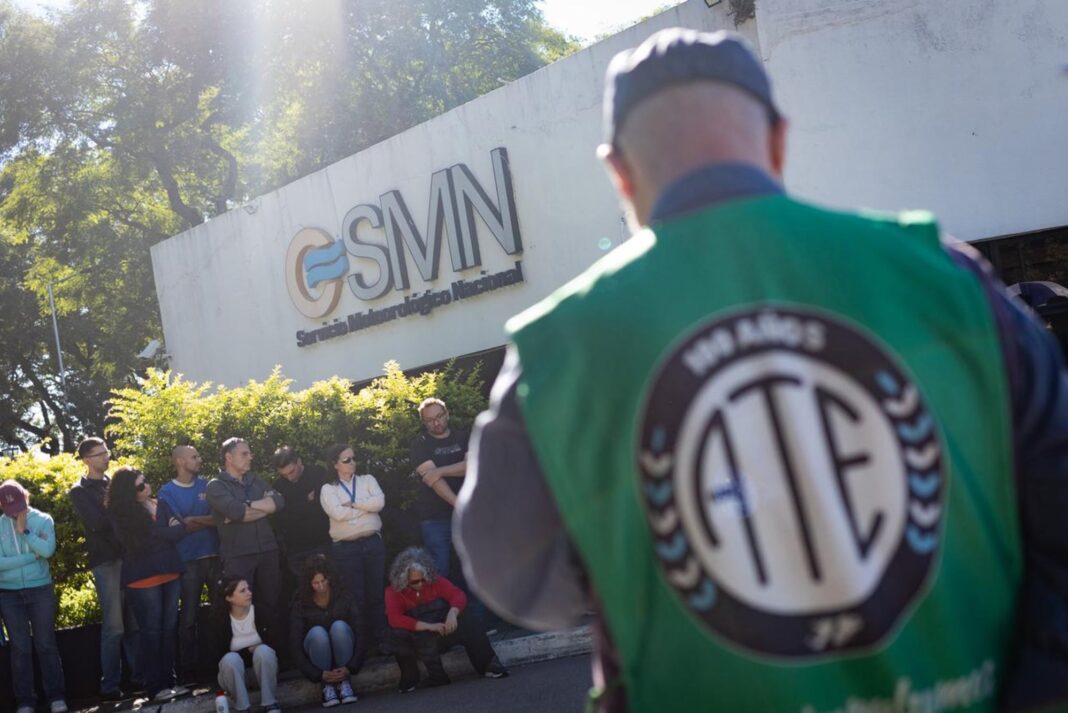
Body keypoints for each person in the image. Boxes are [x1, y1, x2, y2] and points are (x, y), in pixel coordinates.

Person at [455, 28, 1068, 713]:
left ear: (618, 171)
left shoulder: (557, 348)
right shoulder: (949, 280)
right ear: (778, 139)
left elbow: (509, 571)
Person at [106, 466, 188, 702]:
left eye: (146, 482)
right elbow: (142, 542)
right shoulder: (120, 515)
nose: (147, 487)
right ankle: (154, 686)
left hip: (170, 572)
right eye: (140, 486)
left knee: (169, 629)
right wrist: (165, 531)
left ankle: (170, 681)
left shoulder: (159, 503)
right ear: (127, 493)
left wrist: (158, 532)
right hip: (143, 579)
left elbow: (180, 530)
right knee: (151, 632)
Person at [69, 437, 141, 699]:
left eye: (106, 452)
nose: (105, 457)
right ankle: (109, 685)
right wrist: (122, 512)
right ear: (86, 459)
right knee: (114, 627)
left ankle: (140, 678)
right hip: (107, 562)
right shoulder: (79, 490)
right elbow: (98, 523)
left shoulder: (115, 483)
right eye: (99, 454)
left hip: (130, 558)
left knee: (134, 623)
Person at [384, 547, 506, 693]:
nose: (421, 584)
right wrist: (428, 626)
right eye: (415, 582)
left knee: (467, 618)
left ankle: (488, 665)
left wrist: (452, 613)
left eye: (424, 579)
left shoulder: (436, 581)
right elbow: (394, 618)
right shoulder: (393, 592)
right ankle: (410, 677)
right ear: (403, 580)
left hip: (441, 633)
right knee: (396, 634)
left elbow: (458, 595)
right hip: (418, 638)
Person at [0, 480, 68, 713]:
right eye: (8, 508)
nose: (14, 512)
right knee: (19, 648)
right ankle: (25, 701)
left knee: (46, 644)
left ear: (26, 498)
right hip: (8, 594)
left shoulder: (43, 520)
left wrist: (25, 531)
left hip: (40, 590)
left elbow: (47, 551)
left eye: (18, 505)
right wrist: (31, 557)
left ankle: (56, 696)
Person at [206, 438, 285, 632]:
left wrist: (247, 505)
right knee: (240, 609)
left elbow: (279, 502)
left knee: (272, 605)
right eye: (244, 454)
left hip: (268, 551)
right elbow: (237, 512)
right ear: (229, 457)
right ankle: (244, 659)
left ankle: (274, 655)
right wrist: (263, 507)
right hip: (238, 556)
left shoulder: (255, 480)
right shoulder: (216, 486)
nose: (250, 457)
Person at [158, 445, 220, 684]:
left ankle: (222, 663)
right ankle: (189, 671)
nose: (200, 459)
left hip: (215, 557)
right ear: (181, 462)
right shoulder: (167, 492)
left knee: (220, 613)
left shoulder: (208, 486)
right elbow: (182, 525)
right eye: (194, 457)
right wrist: (202, 521)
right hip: (188, 562)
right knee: (189, 618)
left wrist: (196, 520)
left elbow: (221, 518)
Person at [319, 443, 387, 648]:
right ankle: (362, 646)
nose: (352, 463)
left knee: (376, 594)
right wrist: (366, 508)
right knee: (356, 597)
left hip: (373, 545)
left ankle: (383, 641)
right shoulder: (328, 488)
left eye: (353, 458)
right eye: (346, 460)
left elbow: (380, 503)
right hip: (347, 550)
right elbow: (337, 513)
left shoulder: (367, 480)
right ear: (335, 464)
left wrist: (354, 504)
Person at [288, 555, 364, 707]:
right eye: (316, 583)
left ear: (330, 578)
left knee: (339, 627)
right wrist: (317, 674)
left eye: (323, 581)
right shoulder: (300, 602)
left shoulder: (343, 594)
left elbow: (360, 629)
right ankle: (327, 687)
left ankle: (344, 683)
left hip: (344, 653)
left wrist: (351, 667)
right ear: (309, 584)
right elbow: (294, 643)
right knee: (317, 633)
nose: (321, 586)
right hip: (317, 655)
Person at [409, 399, 468, 577]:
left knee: (473, 566)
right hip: (435, 518)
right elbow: (432, 480)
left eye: (439, 416)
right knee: (439, 570)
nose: (436, 422)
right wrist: (458, 503)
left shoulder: (464, 436)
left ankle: (475, 606)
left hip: (468, 515)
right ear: (424, 422)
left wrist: (440, 471)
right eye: (430, 420)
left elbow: (472, 466)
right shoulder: (419, 444)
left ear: (447, 414)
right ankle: (445, 606)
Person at [213, 576, 280, 713]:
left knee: (263, 651)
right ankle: (242, 708)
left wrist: (255, 649)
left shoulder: (261, 611)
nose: (249, 592)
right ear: (229, 598)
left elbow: (277, 645)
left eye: (248, 588)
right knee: (230, 659)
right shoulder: (219, 620)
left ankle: (271, 704)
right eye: (243, 590)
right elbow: (216, 657)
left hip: (261, 673)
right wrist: (249, 650)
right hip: (233, 677)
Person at [270, 446, 331, 579]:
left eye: (291, 472)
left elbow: (324, 506)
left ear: (299, 461)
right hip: (296, 549)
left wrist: (292, 506)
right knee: (304, 592)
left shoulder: (318, 473)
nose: (289, 478)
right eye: (284, 475)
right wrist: (306, 500)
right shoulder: (278, 486)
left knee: (329, 586)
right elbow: (281, 519)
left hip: (323, 544)